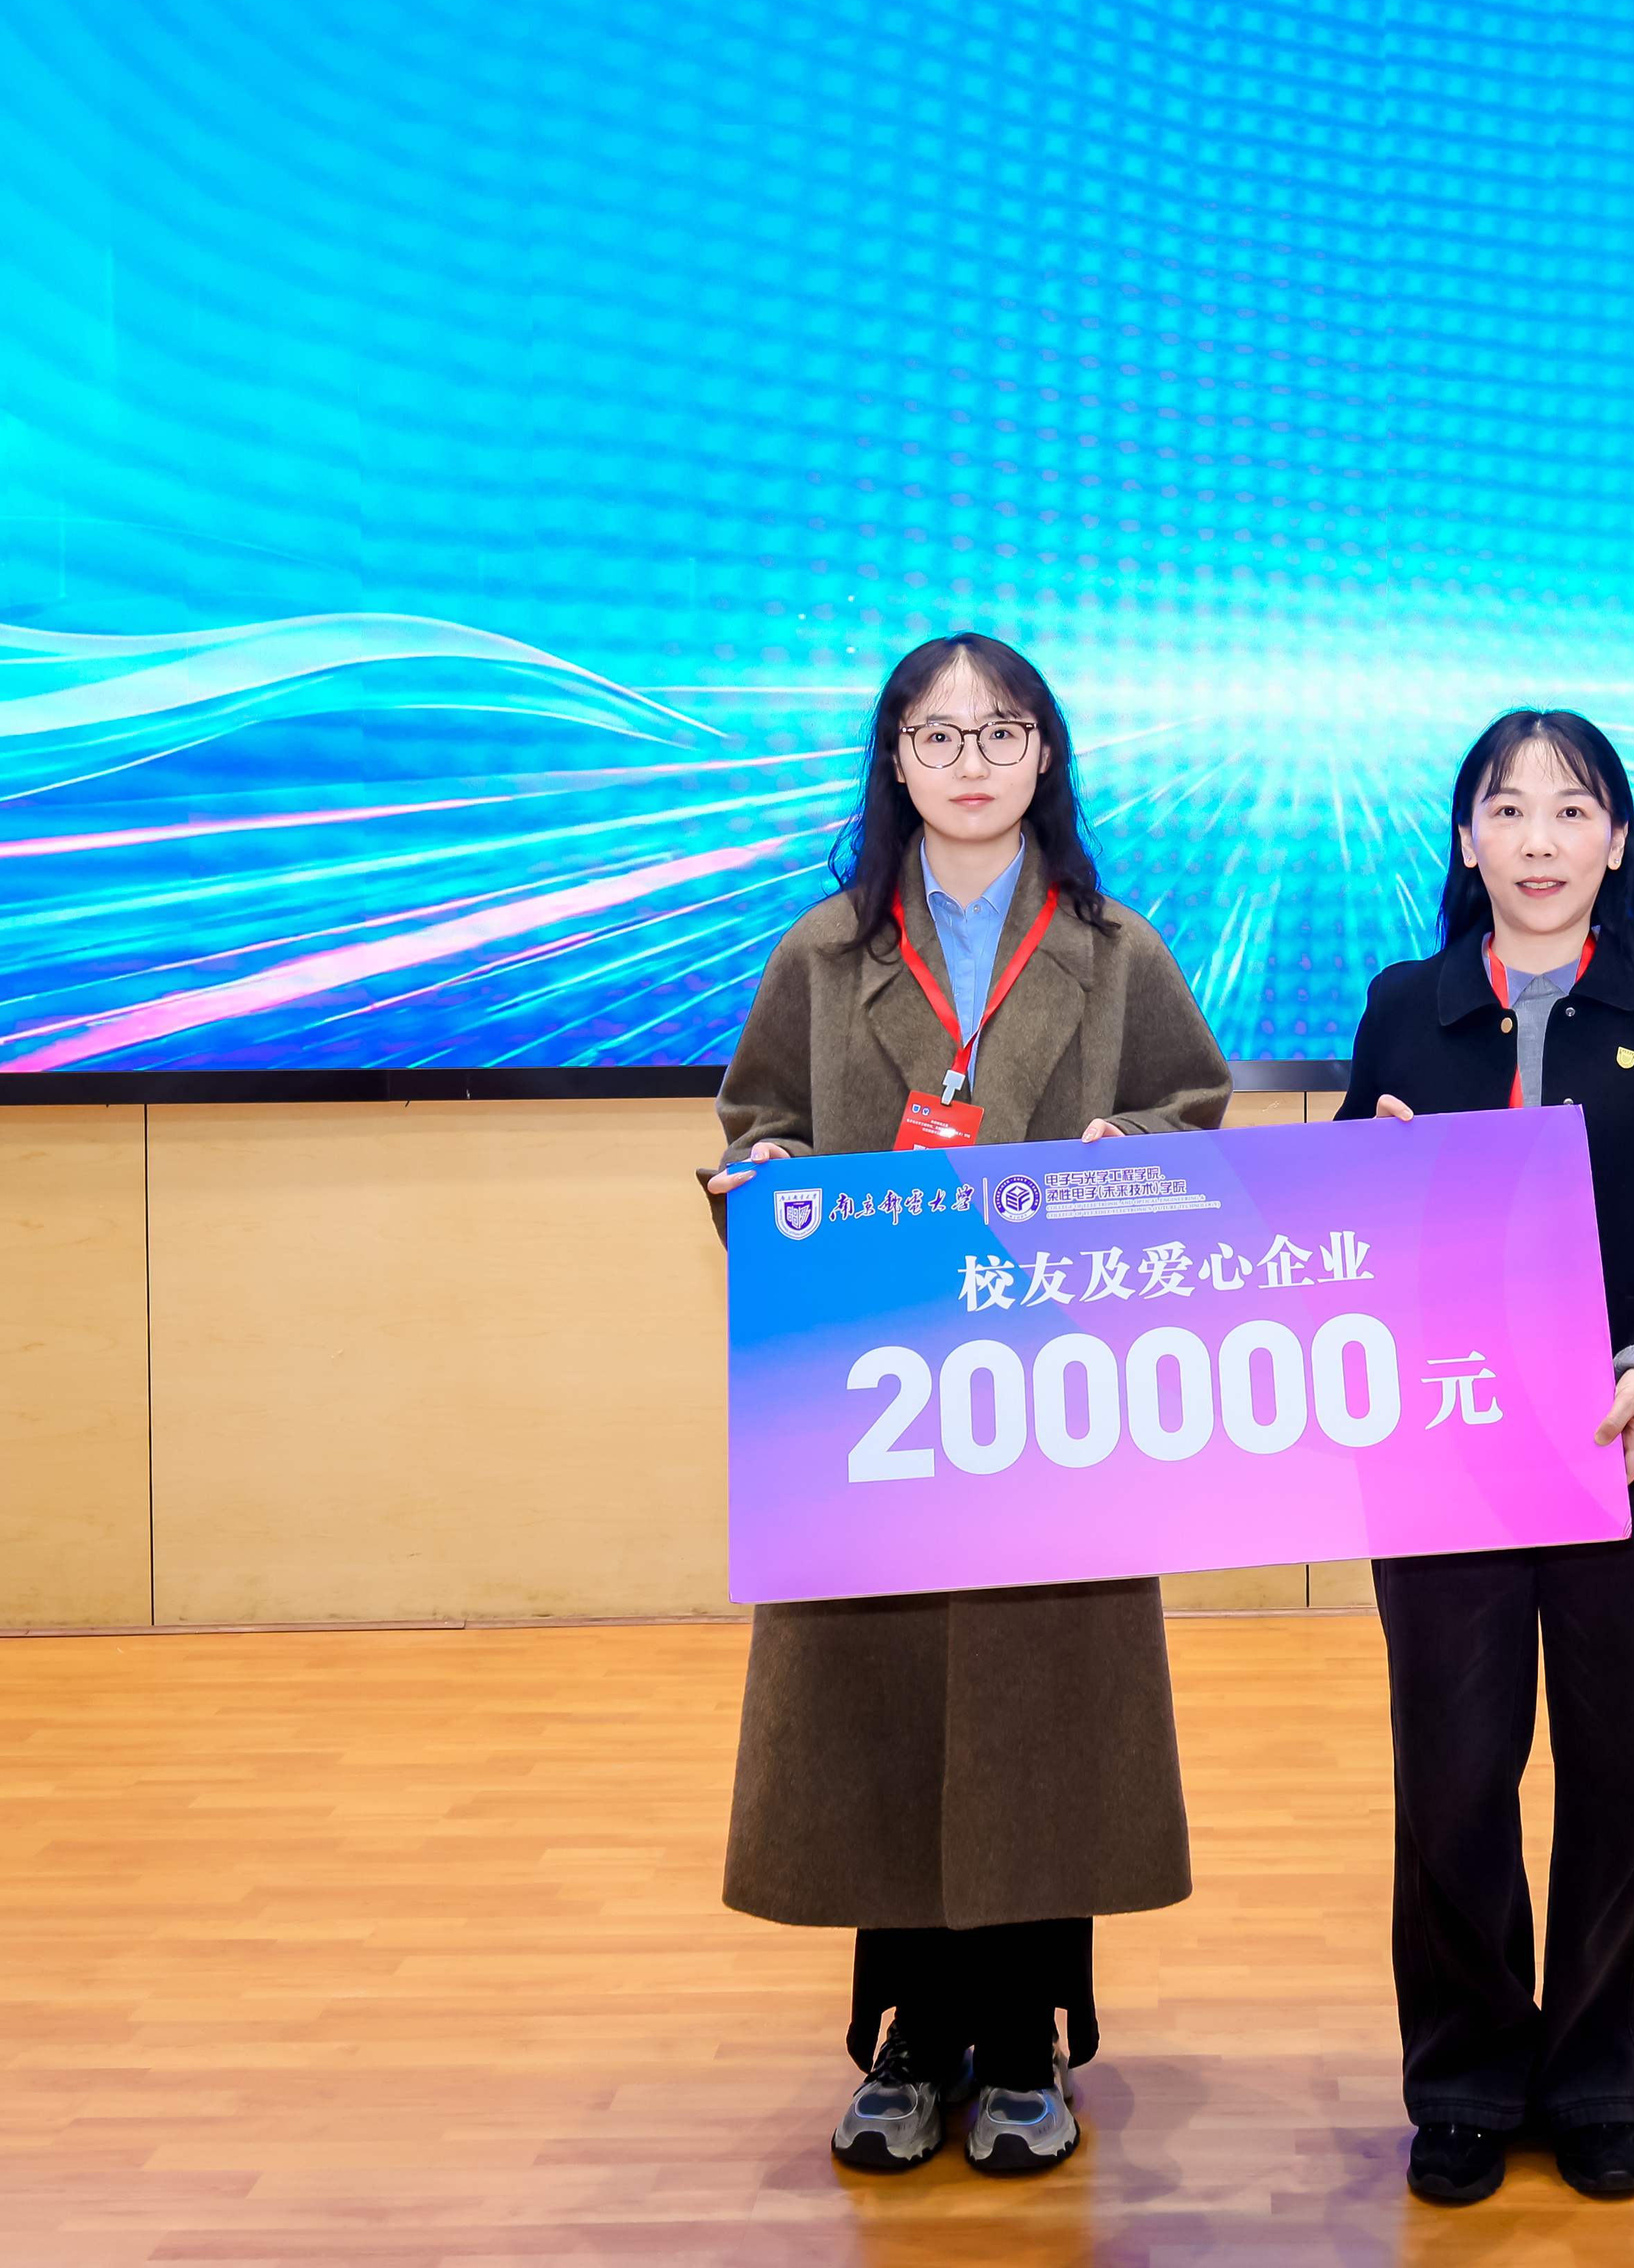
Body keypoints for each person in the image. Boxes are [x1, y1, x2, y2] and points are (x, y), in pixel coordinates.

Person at [700, 632, 1232, 2179]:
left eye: (1001, 732)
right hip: (882, 1397)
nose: (972, 761)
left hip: (1049, 1397)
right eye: (938, 736)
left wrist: (1130, 1152)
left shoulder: (1115, 950)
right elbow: (758, 1121)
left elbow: (1196, 1125)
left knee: (1037, 1724)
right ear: (896, 761)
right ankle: (909, 2040)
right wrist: (765, 1175)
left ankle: (1022, 2042)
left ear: (1044, 754)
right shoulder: (824, 952)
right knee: (887, 1717)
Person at [1336, 708, 1634, 2207]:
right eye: (1508, 810)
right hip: (1447, 1447)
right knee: (1452, 1775)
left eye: (1571, 809)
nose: (1538, 840)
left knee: (1617, 1774)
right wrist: (1368, 1176)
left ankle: (1597, 2080)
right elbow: (1347, 1232)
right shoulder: (1403, 1007)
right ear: (1466, 840)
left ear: (1617, 838)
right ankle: (1463, 2080)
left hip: (1629, 1452)